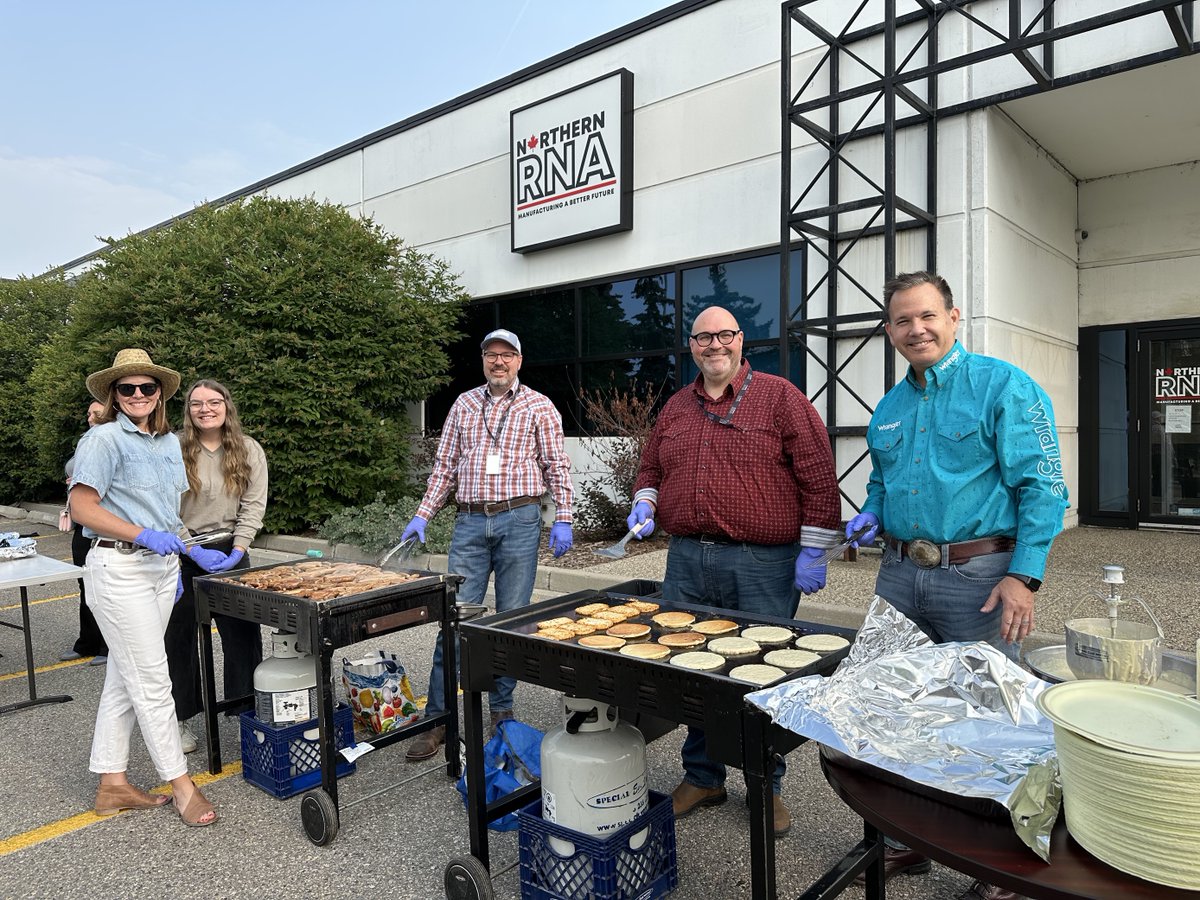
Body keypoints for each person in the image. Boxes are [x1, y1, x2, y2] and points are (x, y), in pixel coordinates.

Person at [845, 272, 1068, 900]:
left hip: (980, 578)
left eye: (926, 316)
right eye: (901, 321)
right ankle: (909, 840)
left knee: (992, 718)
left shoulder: (1003, 386)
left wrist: (1025, 577)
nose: (915, 329)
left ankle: (1006, 862)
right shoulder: (889, 409)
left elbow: (1043, 487)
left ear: (953, 316)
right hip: (899, 577)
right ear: (888, 331)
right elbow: (884, 486)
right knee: (901, 710)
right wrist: (870, 513)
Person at [626, 305, 842, 838]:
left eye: (725, 335)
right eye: (703, 337)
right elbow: (651, 465)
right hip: (687, 558)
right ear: (692, 345)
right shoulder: (677, 406)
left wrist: (814, 550)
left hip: (761, 563)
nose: (714, 345)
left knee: (761, 674)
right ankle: (703, 776)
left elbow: (818, 475)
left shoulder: (781, 398)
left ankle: (765, 785)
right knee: (692, 670)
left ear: (742, 340)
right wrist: (645, 499)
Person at [400, 328, 574, 761]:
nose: (498, 361)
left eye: (507, 354)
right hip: (471, 523)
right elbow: (445, 466)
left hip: (520, 519)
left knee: (511, 621)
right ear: (483, 361)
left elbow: (557, 465)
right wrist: (423, 513)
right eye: (491, 354)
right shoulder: (464, 404)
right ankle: (439, 719)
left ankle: (502, 712)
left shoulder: (540, 406)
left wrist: (564, 518)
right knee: (454, 619)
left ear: (519, 360)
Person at [68, 348, 218, 827]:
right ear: (113, 395)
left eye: (146, 388)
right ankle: (181, 785)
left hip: (161, 570)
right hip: (119, 568)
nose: (137, 395)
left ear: (159, 395)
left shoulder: (170, 443)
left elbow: (167, 516)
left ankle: (112, 784)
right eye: (126, 388)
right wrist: (144, 537)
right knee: (153, 682)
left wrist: (188, 550)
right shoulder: (104, 439)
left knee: (124, 678)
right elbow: (83, 509)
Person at [165, 379, 268, 753]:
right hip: (183, 552)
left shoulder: (248, 449)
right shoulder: (173, 448)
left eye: (214, 401)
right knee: (178, 639)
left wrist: (239, 550)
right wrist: (192, 549)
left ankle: (245, 713)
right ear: (188, 410)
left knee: (242, 636)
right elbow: (163, 506)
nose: (205, 409)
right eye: (196, 403)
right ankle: (179, 719)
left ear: (227, 406)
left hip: (231, 551)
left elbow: (254, 504)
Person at [59, 400, 109, 665]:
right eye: (89, 413)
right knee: (84, 583)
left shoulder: (112, 442)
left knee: (104, 586)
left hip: (102, 523)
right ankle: (87, 642)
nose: (90, 417)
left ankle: (106, 647)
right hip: (81, 524)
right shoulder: (87, 440)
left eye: (96, 413)